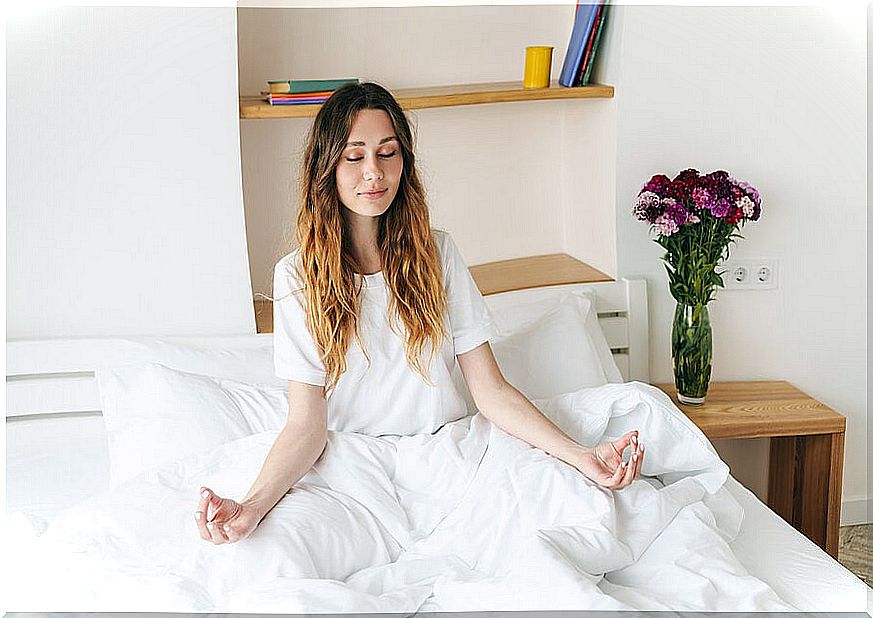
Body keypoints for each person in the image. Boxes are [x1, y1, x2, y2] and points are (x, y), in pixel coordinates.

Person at [194, 82, 643, 547]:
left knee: (579, 519)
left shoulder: (437, 253)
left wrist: (580, 455)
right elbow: (307, 425)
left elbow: (490, 390)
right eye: (355, 156)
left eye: (388, 153)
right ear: (326, 167)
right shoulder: (297, 277)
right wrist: (250, 506)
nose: (374, 172)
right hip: (354, 466)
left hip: (449, 454)